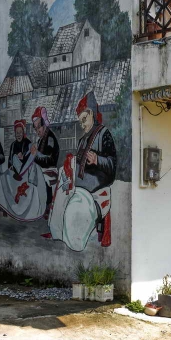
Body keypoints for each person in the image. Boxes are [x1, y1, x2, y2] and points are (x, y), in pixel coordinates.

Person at [48, 92, 117, 251]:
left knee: (75, 207)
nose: (82, 125)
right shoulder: (82, 140)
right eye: (80, 122)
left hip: (96, 186)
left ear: (91, 114)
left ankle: (74, 239)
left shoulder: (103, 134)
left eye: (84, 119)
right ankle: (58, 231)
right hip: (79, 183)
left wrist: (97, 160)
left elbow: (112, 164)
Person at [29, 106, 59, 218]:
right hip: (42, 169)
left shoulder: (50, 138)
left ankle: (47, 205)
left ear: (44, 124)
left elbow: (49, 160)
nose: (37, 131)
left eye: (39, 127)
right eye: (35, 128)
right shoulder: (40, 140)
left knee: (41, 176)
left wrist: (35, 155)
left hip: (50, 170)